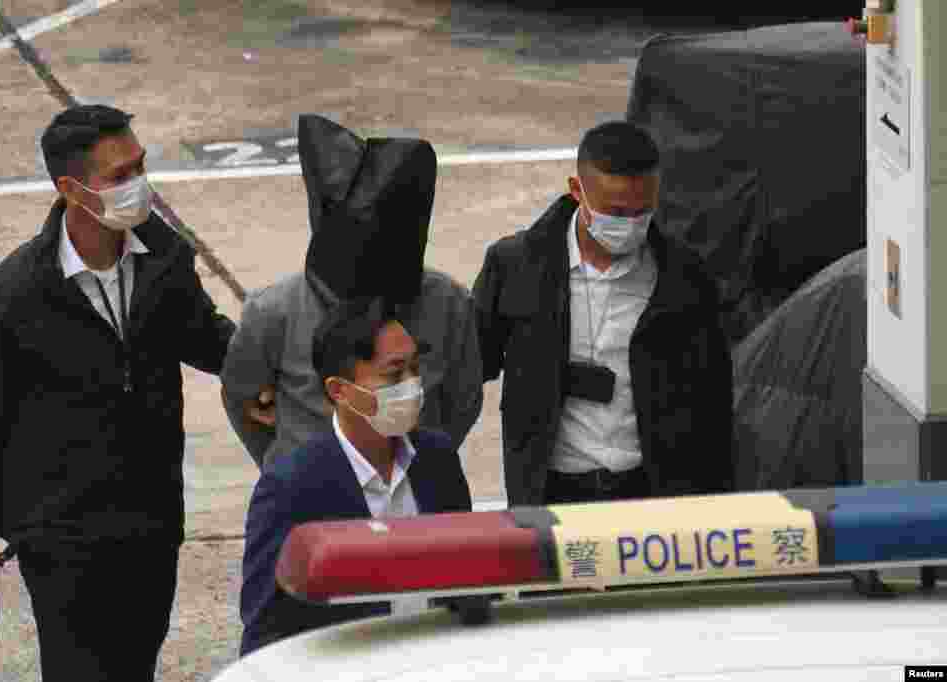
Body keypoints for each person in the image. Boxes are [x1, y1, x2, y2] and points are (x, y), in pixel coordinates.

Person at [0, 104, 236, 681]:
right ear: (71, 190)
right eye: (119, 176)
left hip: (151, 520)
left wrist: (266, 371)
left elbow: (205, 337)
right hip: (62, 534)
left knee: (135, 668)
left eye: (140, 167)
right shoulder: (15, 294)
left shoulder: (163, 259)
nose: (138, 186)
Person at [471, 120, 734, 507]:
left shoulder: (684, 278)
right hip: (550, 493)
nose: (629, 226)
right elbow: (469, 365)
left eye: (642, 212)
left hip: (651, 493)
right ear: (577, 191)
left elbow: (713, 398)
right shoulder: (516, 266)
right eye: (615, 212)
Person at [220, 114, 482, 471]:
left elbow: (462, 403)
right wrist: (287, 469)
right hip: (312, 498)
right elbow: (242, 402)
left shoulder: (448, 304)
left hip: (414, 499)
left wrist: (418, 471)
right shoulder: (273, 313)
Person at [239, 296, 486, 655]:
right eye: (394, 373)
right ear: (339, 390)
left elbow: (471, 583)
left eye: (415, 369)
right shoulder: (290, 488)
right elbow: (265, 632)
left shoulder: (436, 459)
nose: (412, 385)